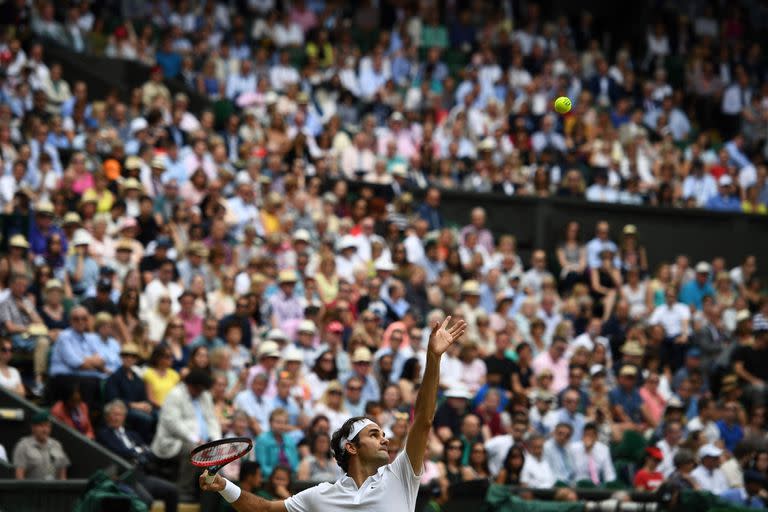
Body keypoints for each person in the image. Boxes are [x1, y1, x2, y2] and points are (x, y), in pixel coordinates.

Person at [200, 316, 467, 512]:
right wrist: (224, 486)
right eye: (374, 435)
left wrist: (433, 359)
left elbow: (423, 420)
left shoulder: (401, 476)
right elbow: (266, 511)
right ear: (351, 447)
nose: (385, 439)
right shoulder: (321, 496)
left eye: (382, 434)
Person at [152, 369, 222, 503]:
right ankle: (183, 492)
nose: (200, 392)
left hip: (203, 442)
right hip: (173, 441)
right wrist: (196, 440)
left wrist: (215, 440)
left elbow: (212, 419)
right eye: (198, 389)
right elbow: (173, 423)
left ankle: (208, 495)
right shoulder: (175, 395)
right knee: (193, 451)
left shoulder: (204, 395)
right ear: (190, 385)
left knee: (218, 455)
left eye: (202, 390)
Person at [97, 399, 179, 512]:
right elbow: (120, 451)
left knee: (172, 490)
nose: (117, 417)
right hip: (124, 478)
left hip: (141, 476)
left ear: (124, 417)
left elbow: (149, 453)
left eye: (120, 415)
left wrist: (136, 453)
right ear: (107, 417)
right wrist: (137, 451)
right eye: (114, 414)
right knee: (146, 500)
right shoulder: (104, 434)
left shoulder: (132, 434)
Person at [13, 411, 70, 480]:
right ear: (33, 427)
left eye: (48, 426)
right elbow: (19, 476)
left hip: (53, 488)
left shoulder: (56, 445)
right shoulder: (23, 446)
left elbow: (62, 474)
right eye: (41, 426)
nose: (45, 430)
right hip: (33, 489)